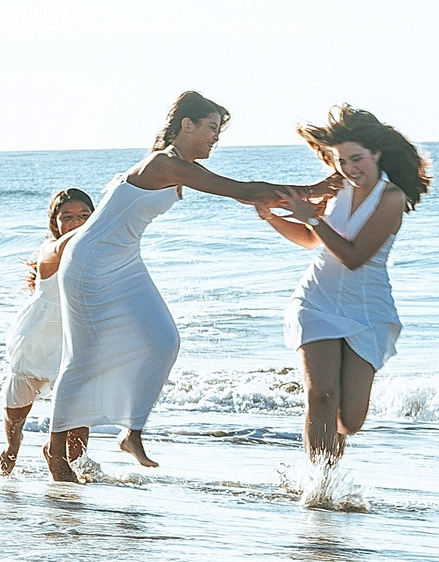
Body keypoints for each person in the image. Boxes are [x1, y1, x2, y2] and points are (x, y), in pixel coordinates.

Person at [44, 91, 325, 483]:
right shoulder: (166, 163)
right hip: (91, 262)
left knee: (163, 340)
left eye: (218, 131)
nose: (215, 138)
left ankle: (132, 431)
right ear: (186, 125)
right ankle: (55, 452)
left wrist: (299, 201)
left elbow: (248, 196)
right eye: (211, 128)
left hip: (124, 259)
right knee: (85, 357)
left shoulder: (175, 164)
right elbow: (242, 191)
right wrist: (314, 190)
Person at [255, 105, 431, 465]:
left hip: (366, 308)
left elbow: (353, 256)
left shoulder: (391, 198)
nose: (349, 169)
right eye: (341, 161)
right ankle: (319, 485)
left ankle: (329, 461)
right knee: (321, 396)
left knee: (349, 420)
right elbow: (310, 240)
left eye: (357, 159)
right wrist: (271, 216)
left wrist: (312, 221)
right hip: (316, 300)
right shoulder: (336, 189)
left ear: (376, 154)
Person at [0, 187, 94, 473]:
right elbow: (67, 244)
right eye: (68, 217)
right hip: (38, 336)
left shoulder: (96, 256)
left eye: (84, 216)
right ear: (55, 222)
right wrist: (105, 222)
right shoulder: (49, 249)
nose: (76, 222)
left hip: (73, 339)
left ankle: (69, 461)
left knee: (78, 409)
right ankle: (12, 448)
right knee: (17, 412)